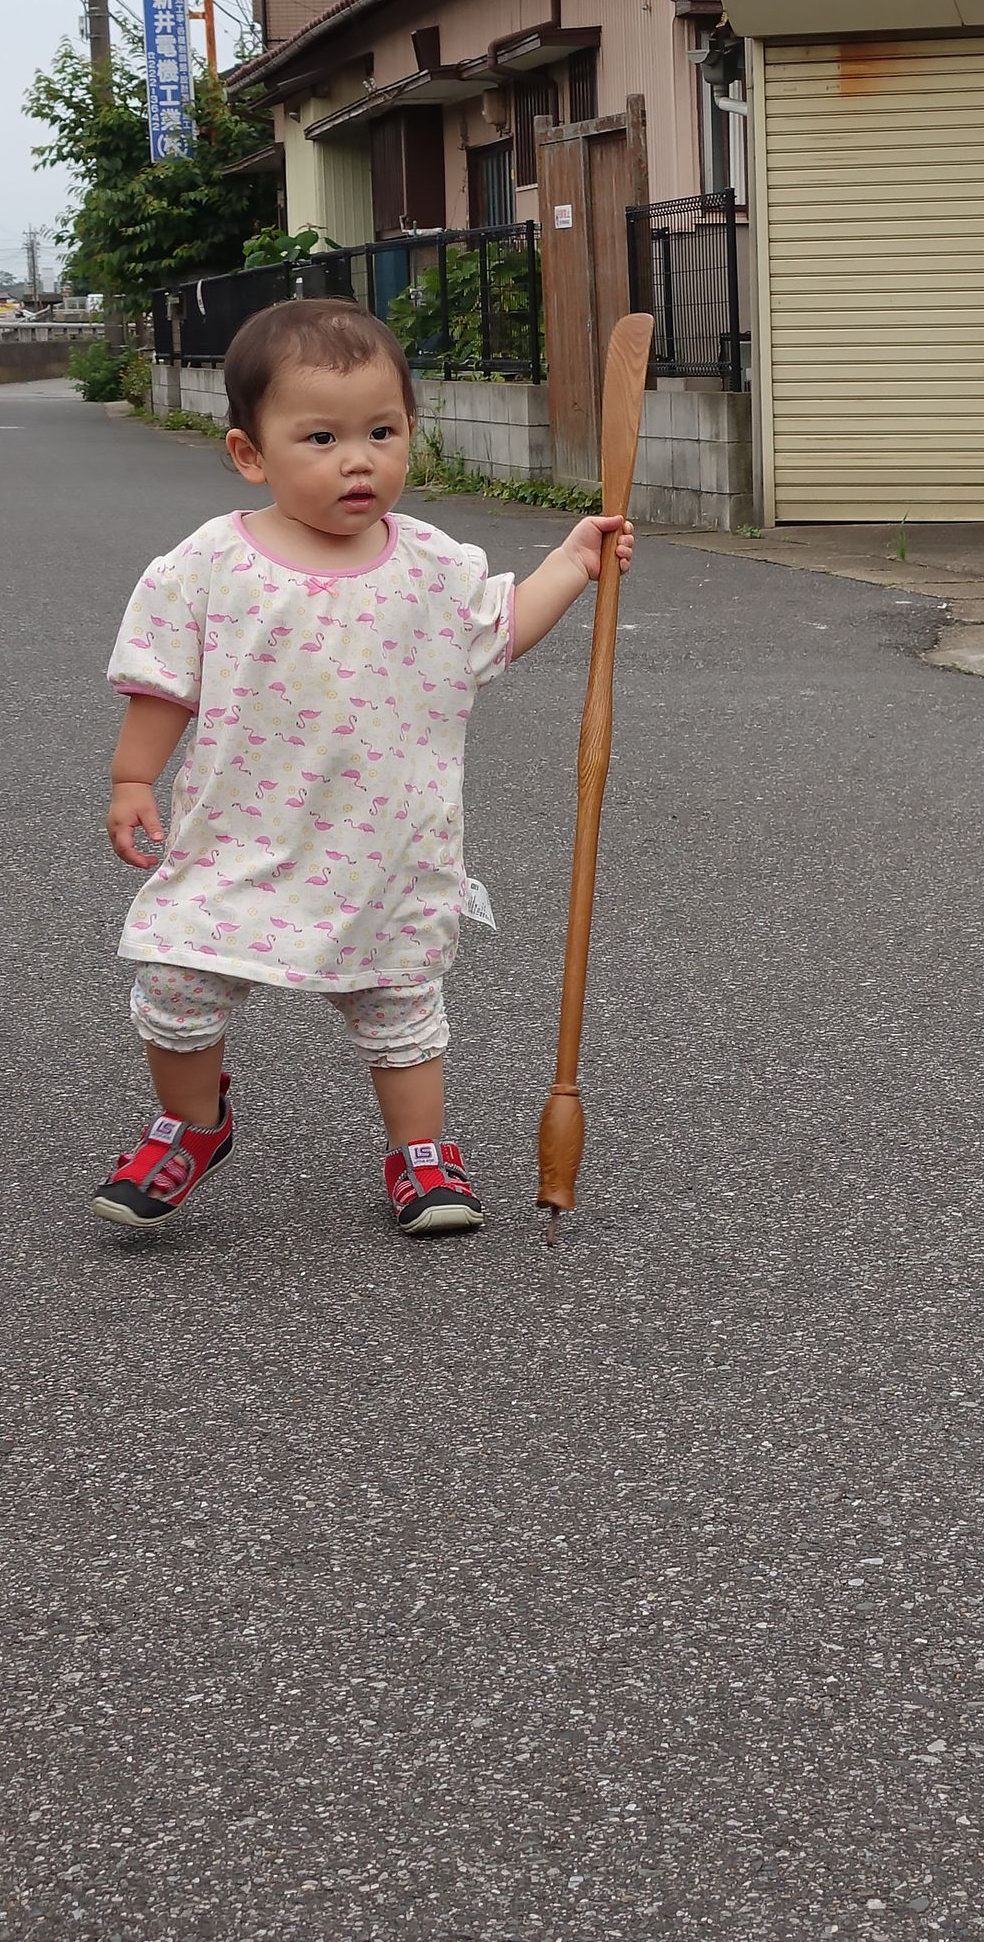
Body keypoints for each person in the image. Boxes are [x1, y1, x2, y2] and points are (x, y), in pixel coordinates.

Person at [94, 298, 632, 1239]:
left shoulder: (430, 565)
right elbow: (164, 682)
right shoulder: (208, 565)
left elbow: (497, 629)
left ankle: (419, 1151)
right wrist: (132, 778)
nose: (359, 460)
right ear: (249, 453)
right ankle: (192, 1122)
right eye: (322, 437)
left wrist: (572, 560)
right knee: (178, 983)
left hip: (387, 847)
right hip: (239, 841)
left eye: (382, 432)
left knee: (399, 1002)